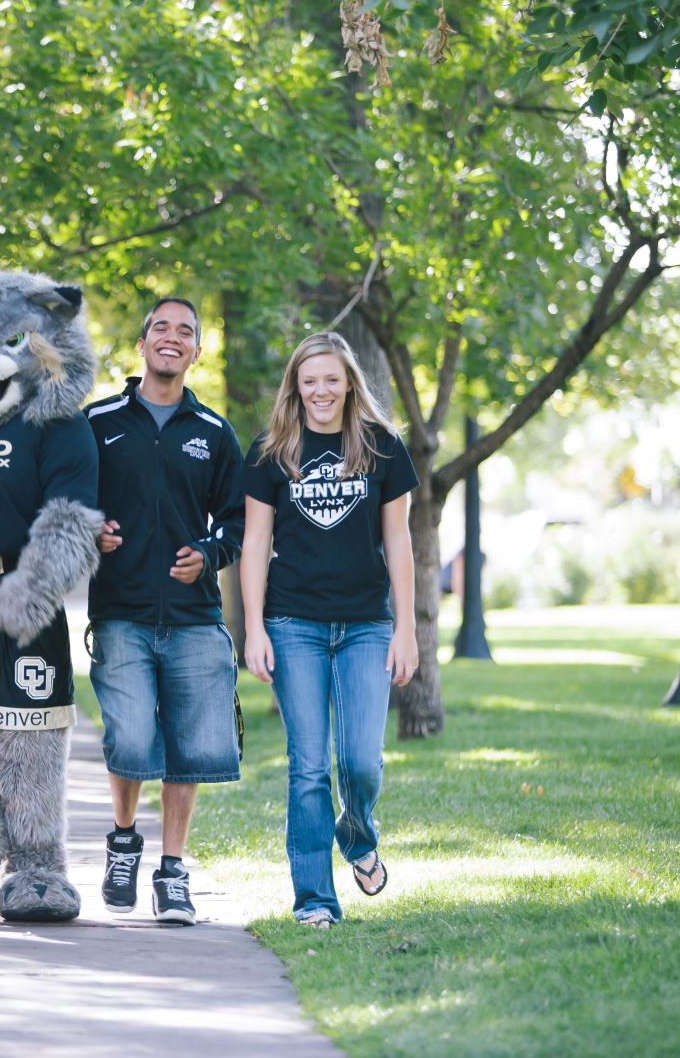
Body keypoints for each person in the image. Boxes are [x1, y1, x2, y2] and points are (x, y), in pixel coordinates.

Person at [239, 331, 418, 929]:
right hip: (294, 624)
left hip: (367, 625)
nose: (320, 390)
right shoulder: (271, 452)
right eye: (309, 380)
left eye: (331, 379)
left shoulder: (382, 447)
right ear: (296, 385)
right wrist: (256, 630)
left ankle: (357, 832)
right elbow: (256, 543)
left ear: (348, 384)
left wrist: (407, 631)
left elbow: (399, 541)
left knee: (361, 760)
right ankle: (315, 899)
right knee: (308, 764)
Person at [85, 297, 245, 925]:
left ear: (197, 351)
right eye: (161, 328)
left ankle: (172, 873)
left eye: (185, 331)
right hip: (121, 611)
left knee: (191, 746)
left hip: (194, 616)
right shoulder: (97, 422)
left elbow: (237, 521)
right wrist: (91, 530)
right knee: (130, 737)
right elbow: (68, 498)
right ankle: (123, 839)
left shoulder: (214, 432)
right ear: (143, 343)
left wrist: (208, 554)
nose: (172, 338)